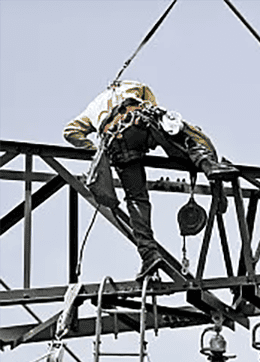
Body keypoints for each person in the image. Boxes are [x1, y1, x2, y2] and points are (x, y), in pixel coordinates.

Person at [64, 80, 236, 280]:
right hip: (140, 122)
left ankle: (149, 254)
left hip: (115, 141)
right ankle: (208, 164)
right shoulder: (136, 85)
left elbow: (70, 131)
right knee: (188, 136)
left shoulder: (92, 107)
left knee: (136, 199)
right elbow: (154, 109)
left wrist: (97, 151)